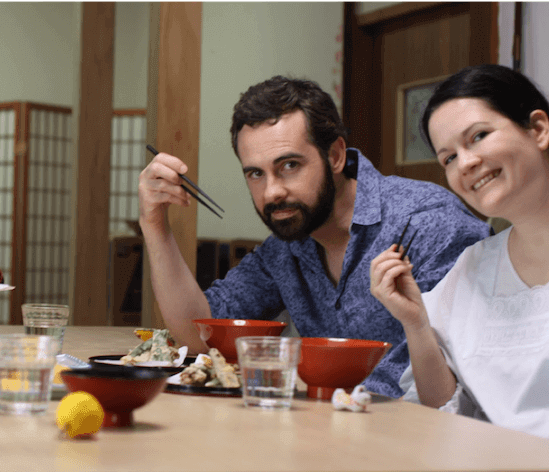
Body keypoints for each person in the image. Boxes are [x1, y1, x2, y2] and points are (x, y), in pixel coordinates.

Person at [139, 76, 492, 398]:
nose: (272, 192)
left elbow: (450, 387)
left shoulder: (427, 225)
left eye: (289, 166)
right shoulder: (287, 245)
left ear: (335, 155)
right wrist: (155, 225)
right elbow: (200, 334)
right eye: (255, 174)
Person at [370, 64, 549, 445]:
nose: (465, 164)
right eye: (448, 158)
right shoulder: (473, 267)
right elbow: (444, 412)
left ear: (538, 129)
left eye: (479, 136)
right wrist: (416, 323)